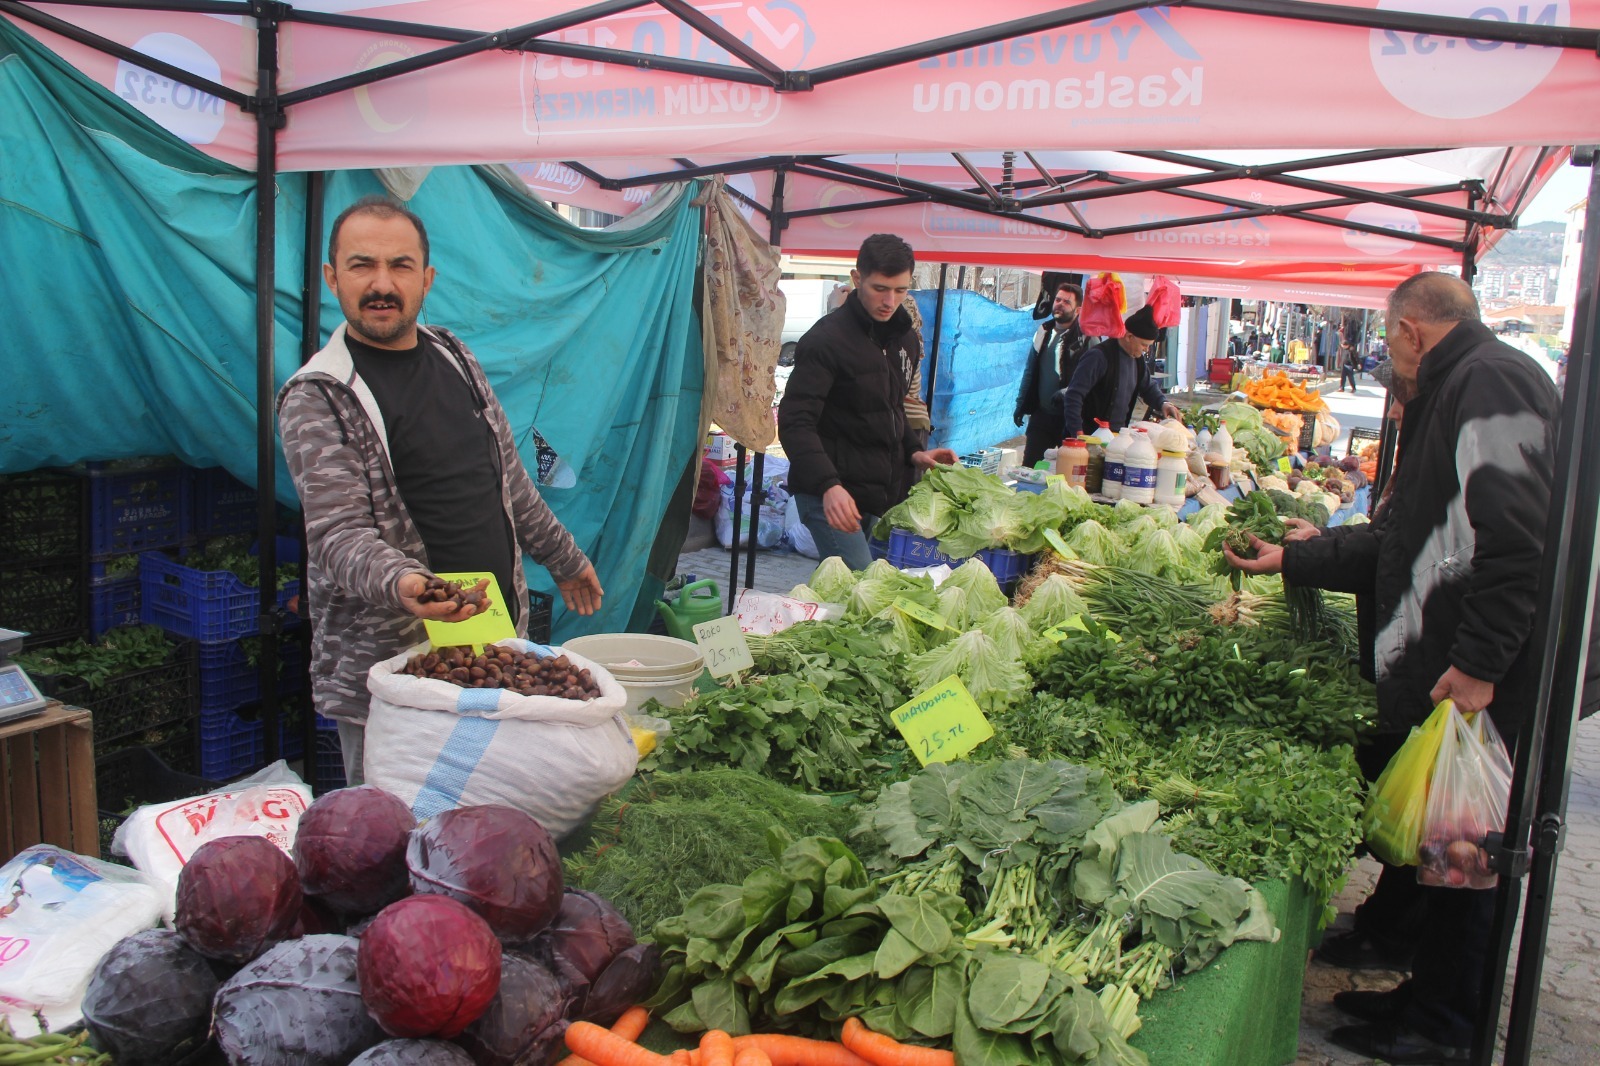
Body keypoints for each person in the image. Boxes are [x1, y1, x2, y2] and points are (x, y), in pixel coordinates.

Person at [1227, 272, 1559, 1064]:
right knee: (1446, 841)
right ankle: (1426, 992)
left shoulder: (1491, 380)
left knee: (1468, 846)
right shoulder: (1461, 387)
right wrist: (1296, 559)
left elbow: (1518, 544)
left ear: (1413, 329)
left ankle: (1448, 1030)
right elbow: (1409, 539)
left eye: (1390, 343)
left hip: (1492, 667)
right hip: (1457, 652)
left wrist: (1479, 664)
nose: (1390, 365)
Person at [277, 196, 604, 786]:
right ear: (332, 278)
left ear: (426, 278)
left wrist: (564, 557)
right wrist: (404, 581)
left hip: (493, 640)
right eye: (361, 266)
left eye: (400, 266)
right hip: (397, 669)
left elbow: (510, 483)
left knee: (490, 820)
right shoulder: (320, 394)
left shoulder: (455, 356)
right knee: (391, 837)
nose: (382, 284)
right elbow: (337, 534)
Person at [779, 234, 958, 570]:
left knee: (862, 592)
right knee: (857, 589)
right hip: (828, 492)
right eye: (880, 288)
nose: (890, 301)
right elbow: (794, 422)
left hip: (877, 494)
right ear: (857, 278)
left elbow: (892, 409)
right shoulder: (825, 340)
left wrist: (913, 451)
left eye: (900, 290)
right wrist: (829, 486)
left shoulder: (904, 338)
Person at [1058, 304, 1183, 441]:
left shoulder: (1138, 360)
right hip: (1089, 436)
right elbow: (1074, 395)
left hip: (1116, 438)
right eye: (1144, 345)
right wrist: (1078, 433)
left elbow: (1148, 387)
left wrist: (1163, 403)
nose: (1146, 350)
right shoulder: (1098, 357)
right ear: (1129, 336)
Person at [1013, 282, 1095, 467]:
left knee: (1065, 473)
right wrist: (1021, 404)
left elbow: (1093, 380)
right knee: (1031, 469)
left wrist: (1068, 392)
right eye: (1058, 299)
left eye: (1067, 302)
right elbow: (1030, 370)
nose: (1059, 304)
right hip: (1042, 417)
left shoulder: (1087, 338)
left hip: (1072, 418)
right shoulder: (1044, 331)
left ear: (1078, 310)